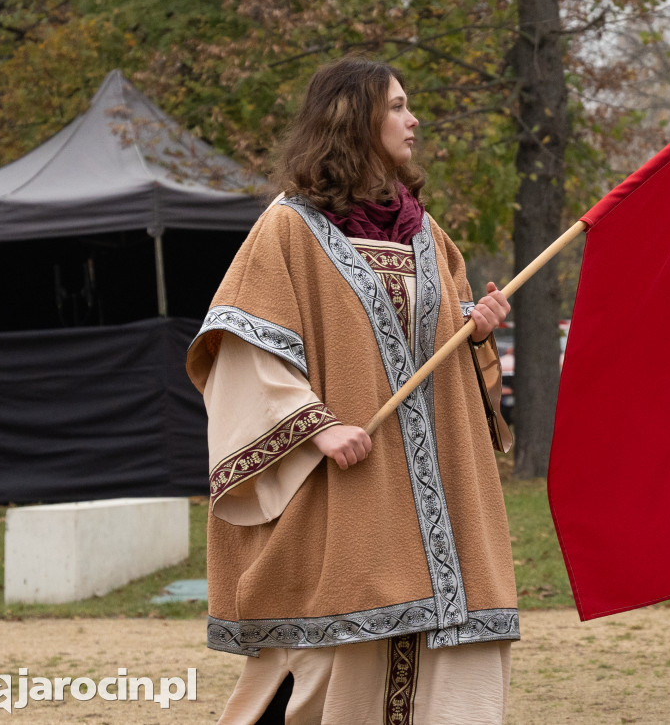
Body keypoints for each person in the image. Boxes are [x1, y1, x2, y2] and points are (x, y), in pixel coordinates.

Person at [186, 57, 518, 724]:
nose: (412, 118)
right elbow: (241, 350)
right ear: (352, 119)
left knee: (459, 668)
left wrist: (472, 328)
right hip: (351, 494)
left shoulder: (427, 231)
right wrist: (315, 424)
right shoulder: (287, 229)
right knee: (338, 668)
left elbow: (427, 342)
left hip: (443, 508)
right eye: (396, 106)